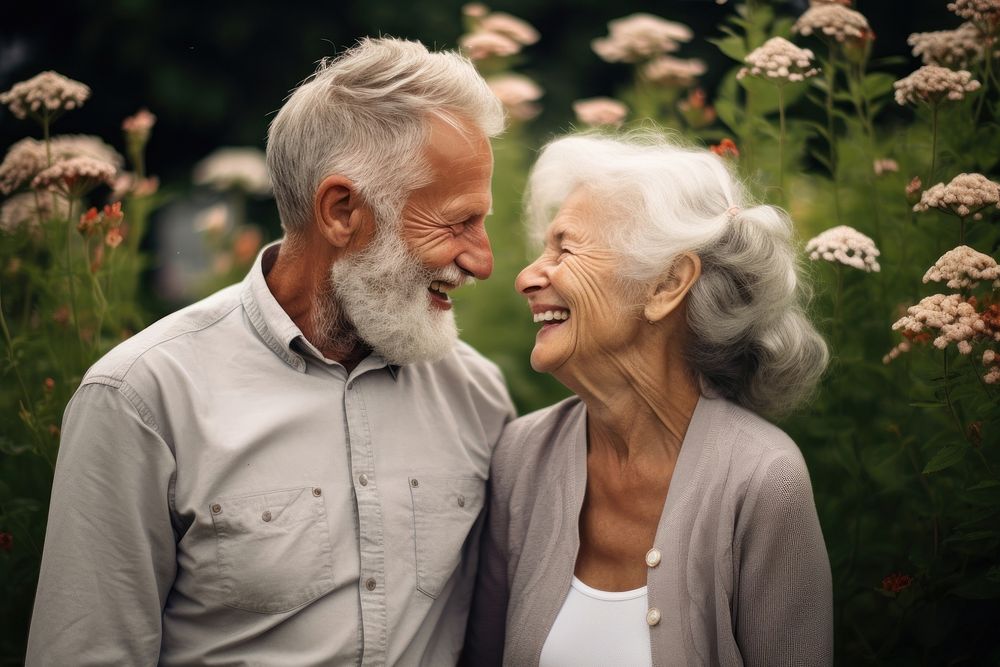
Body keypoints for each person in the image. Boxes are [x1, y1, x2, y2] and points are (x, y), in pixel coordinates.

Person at [27, 38, 515, 666]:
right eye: (456, 223)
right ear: (342, 212)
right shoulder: (143, 398)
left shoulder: (475, 396)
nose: (483, 259)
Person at [464, 132, 833, 666]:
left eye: (565, 248)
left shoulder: (761, 479)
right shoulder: (524, 456)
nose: (526, 277)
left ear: (666, 284)